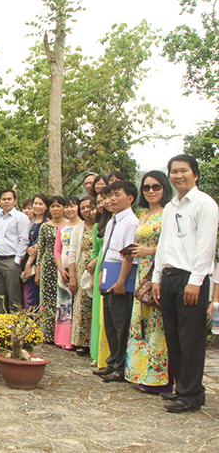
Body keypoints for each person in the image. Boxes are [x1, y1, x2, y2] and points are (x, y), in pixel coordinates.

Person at [152, 155, 219, 413]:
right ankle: (182, 388)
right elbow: (163, 246)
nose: (178, 175)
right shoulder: (171, 207)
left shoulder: (205, 204)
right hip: (169, 277)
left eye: (184, 171)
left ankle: (191, 395)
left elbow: (206, 247)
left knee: (190, 338)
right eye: (174, 171)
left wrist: (195, 281)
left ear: (195, 174)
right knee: (174, 336)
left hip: (191, 279)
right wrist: (157, 277)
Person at [125, 171, 174, 394]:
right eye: (146, 187)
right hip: (141, 274)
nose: (151, 191)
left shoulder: (168, 214)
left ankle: (158, 378)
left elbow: (173, 246)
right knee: (140, 325)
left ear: (164, 188)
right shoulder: (144, 215)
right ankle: (139, 372)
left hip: (160, 273)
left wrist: (150, 250)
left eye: (156, 187)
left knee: (157, 326)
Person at [93, 180, 139, 383]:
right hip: (107, 272)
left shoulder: (131, 222)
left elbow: (127, 254)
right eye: (110, 195)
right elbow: (107, 250)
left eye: (117, 194)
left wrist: (121, 281)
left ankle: (120, 367)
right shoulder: (112, 220)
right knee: (110, 322)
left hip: (121, 275)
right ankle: (112, 361)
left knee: (121, 323)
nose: (112, 198)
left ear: (130, 199)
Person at [0, 189, 31, 314]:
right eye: (4, 199)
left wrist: (16, 261)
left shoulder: (21, 217)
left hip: (11, 261)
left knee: (13, 296)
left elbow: (23, 240)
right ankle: (0, 325)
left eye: (9, 199)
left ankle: (15, 326)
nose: (6, 201)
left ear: (15, 201)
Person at [68, 196, 97, 355]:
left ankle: (95, 341)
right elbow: (72, 253)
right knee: (82, 305)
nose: (87, 210)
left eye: (91, 207)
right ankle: (81, 341)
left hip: (97, 268)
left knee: (96, 305)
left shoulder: (102, 227)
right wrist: (73, 277)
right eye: (84, 207)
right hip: (81, 269)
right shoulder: (79, 228)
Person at [53, 196, 82, 350]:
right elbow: (57, 250)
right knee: (63, 305)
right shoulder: (62, 227)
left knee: (77, 304)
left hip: (78, 269)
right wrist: (60, 268)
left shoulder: (83, 225)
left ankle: (76, 339)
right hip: (62, 271)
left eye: (73, 206)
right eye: (67, 206)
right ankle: (62, 338)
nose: (69, 209)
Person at [36, 196, 66, 343]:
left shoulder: (69, 225)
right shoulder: (45, 226)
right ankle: (47, 334)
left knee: (63, 301)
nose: (55, 209)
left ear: (64, 208)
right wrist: (38, 269)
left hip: (65, 266)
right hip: (47, 266)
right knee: (47, 301)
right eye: (52, 206)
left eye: (58, 206)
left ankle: (63, 335)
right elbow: (40, 250)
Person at [89, 187, 113, 368]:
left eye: (105, 199)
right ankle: (98, 353)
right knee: (99, 312)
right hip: (99, 270)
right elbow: (96, 251)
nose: (103, 204)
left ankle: (110, 356)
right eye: (99, 202)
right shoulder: (100, 226)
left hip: (112, 268)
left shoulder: (121, 221)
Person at [23, 194, 49, 309]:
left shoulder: (46, 223)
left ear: (46, 206)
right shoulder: (32, 222)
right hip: (28, 258)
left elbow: (38, 246)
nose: (37, 206)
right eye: (35, 203)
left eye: (40, 204)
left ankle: (36, 323)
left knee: (35, 293)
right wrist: (27, 248)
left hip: (38, 261)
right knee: (28, 294)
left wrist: (29, 264)